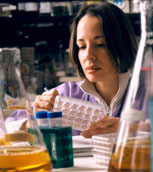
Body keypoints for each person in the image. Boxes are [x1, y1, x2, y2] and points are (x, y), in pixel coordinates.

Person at [32, 2, 137, 138]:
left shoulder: (147, 93)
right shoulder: (65, 95)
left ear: (122, 44)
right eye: (81, 46)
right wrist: (34, 119)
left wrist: (130, 128)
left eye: (100, 44)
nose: (88, 55)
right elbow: (6, 127)